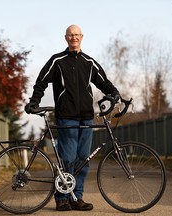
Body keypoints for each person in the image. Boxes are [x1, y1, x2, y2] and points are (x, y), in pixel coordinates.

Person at [25, 24, 120, 211]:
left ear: (82, 37)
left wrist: (115, 93)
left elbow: (103, 82)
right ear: (66, 38)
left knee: (83, 159)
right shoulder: (57, 60)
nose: (73, 38)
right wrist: (34, 102)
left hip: (86, 116)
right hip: (66, 116)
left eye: (76, 35)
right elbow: (41, 81)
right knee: (67, 158)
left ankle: (77, 197)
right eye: (70, 35)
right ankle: (61, 198)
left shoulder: (89, 62)